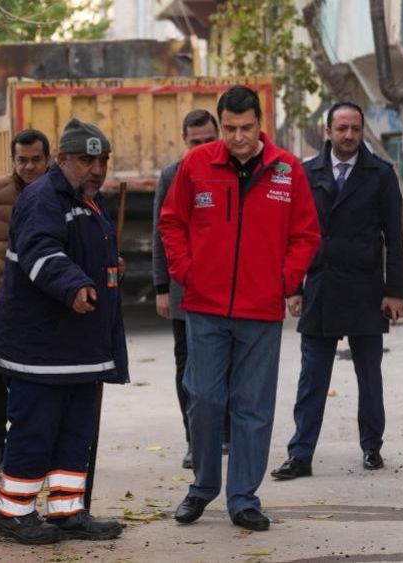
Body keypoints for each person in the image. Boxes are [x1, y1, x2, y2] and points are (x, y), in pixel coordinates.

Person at [158, 85, 321, 531]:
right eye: (229, 128)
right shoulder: (196, 165)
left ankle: (244, 498)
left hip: (261, 311)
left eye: (246, 128)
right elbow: (172, 222)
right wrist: (186, 271)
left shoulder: (288, 170)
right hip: (206, 308)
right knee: (206, 399)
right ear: (220, 124)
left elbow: (305, 233)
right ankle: (202, 486)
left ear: (259, 123)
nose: (238, 137)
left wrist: (284, 282)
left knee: (252, 406)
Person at [0, 118, 127, 545]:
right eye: (87, 160)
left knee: (75, 433)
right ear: (62, 159)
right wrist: (76, 284)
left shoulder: (88, 200)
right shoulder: (43, 198)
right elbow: (41, 251)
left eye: (102, 160)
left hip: (78, 347)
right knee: (35, 431)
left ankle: (67, 511)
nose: (97, 169)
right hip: (41, 350)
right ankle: (12, 514)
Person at [270, 101, 403, 478]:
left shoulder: (380, 173)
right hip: (320, 287)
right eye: (341, 128)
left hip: (366, 288)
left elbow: (394, 237)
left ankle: (372, 447)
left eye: (355, 129)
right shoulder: (305, 172)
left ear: (362, 132)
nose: (348, 136)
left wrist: (395, 291)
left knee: (369, 376)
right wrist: (292, 287)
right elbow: (292, 234)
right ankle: (300, 455)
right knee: (312, 377)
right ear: (327, 131)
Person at [0, 129, 51, 479]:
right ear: (12, 159)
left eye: (36, 160)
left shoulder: (62, 194)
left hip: (49, 305)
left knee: (44, 379)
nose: (29, 167)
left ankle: (43, 447)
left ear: (48, 159)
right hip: (3, 303)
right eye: (22, 160)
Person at [152, 109, 220, 470]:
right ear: (184, 141)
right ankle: (194, 441)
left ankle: (223, 437)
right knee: (188, 370)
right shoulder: (172, 176)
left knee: (226, 368)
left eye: (210, 140)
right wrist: (162, 287)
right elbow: (160, 233)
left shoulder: (233, 171)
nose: (203, 147)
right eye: (196, 142)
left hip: (226, 290)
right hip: (184, 293)